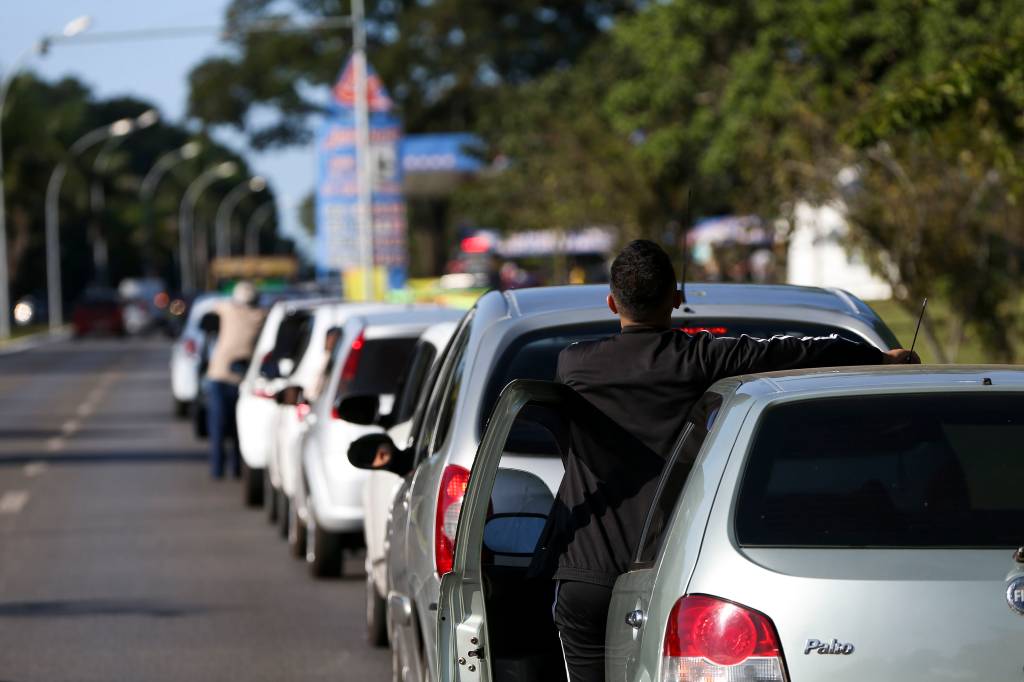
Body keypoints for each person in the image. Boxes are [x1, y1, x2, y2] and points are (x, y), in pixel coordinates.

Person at [547, 240, 918, 682]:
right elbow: (792, 352)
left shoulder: (573, 365)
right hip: (668, 573)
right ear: (676, 298)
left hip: (585, 577)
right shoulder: (700, 359)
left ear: (611, 302)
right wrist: (874, 358)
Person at [204, 281, 266, 479]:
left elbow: (210, 310)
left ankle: (221, 469)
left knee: (221, 426)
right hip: (233, 378)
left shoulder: (228, 309)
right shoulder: (261, 315)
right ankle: (228, 468)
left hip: (228, 378)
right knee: (233, 428)